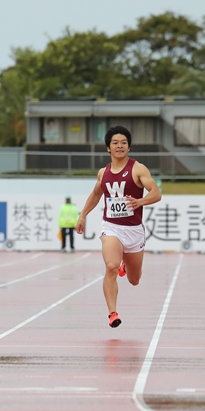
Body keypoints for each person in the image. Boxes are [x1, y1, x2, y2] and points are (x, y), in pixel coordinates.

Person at [76, 126, 162, 328]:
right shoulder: (103, 173)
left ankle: (126, 264)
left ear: (129, 147)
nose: (120, 146)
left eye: (124, 142)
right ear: (108, 148)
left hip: (134, 231)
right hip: (111, 227)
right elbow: (96, 194)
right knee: (110, 266)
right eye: (115, 143)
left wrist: (140, 202)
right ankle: (112, 313)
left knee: (134, 280)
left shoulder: (138, 169)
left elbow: (156, 193)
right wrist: (82, 215)